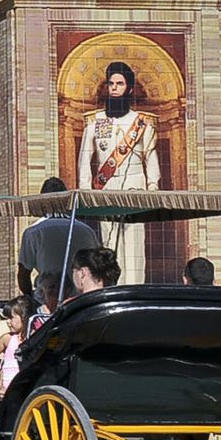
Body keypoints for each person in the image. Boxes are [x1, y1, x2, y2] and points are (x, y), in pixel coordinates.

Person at [77, 61, 160, 285]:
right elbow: (85, 159)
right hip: (106, 188)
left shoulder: (142, 123)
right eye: (111, 83)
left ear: (129, 88)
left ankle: (134, 290)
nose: (114, 88)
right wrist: (86, 190)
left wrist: (153, 186)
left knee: (133, 244)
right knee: (109, 242)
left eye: (120, 84)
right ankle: (111, 288)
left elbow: (150, 157)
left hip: (135, 187)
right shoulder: (95, 123)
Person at [0, 297, 32, 398]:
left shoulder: (33, 338)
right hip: (7, 389)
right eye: (6, 318)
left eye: (11, 318)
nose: (7, 322)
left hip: (25, 388)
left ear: (24, 318)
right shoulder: (7, 339)